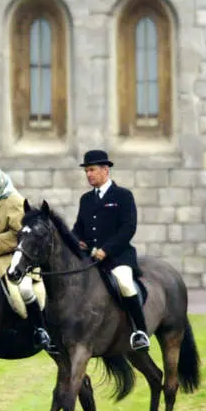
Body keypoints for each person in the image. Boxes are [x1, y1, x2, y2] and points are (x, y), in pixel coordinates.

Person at [72, 149, 149, 351]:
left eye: (92, 170)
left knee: (124, 282)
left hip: (118, 257)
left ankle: (139, 331)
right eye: (86, 171)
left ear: (105, 170)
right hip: (91, 258)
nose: (88, 174)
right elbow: (78, 227)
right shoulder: (86, 199)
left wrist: (106, 250)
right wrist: (77, 241)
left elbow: (128, 229)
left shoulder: (123, 196)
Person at [0, 165, 52, 351]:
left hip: (16, 260)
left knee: (22, 292)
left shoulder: (15, 201)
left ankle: (40, 330)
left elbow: (21, 234)